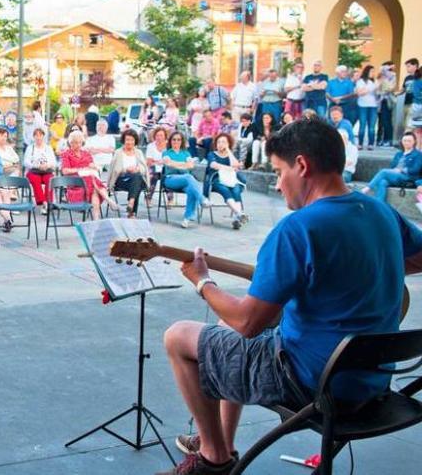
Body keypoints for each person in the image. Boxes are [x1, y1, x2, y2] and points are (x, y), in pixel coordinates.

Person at [159, 117, 422, 475]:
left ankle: (213, 458)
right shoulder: (379, 210)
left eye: (280, 171)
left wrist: (203, 281)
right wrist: (362, 270)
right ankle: (225, 441)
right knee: (224, 328)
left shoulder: (298, 229)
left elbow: (248, 323)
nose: (279, 184)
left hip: (309, 381)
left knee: (178, 337)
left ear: (302, 165)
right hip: (372, 379)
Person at [60, 130, 119, 220]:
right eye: (75, 142)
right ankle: (108, 199)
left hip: (89, 183)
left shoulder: (86, 153)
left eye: (80, 142)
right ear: (70, 143)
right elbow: (65, 171)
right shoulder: (66, 154)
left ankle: (96, 219)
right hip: (75, 183)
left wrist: (94, 166)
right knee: (91, 179)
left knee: (94, 190)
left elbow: (90, 164)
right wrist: (80, 169)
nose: (78, 145)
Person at [162, 131, 208, 228]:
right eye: (174, 139)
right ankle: (202, 199)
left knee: (192, 189)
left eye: (178, 140)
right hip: (171, 179)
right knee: (189, 177)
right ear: (170, 141)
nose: (176, 142)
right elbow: (169, 163)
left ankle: (186, 219)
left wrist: (176, 164)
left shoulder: (186, 153)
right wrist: (183, 165)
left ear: (181, 141)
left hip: (186, 181)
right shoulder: (166, 153)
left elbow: (191, 165)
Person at [362, 132, 422, 202]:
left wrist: (401, 170)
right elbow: (392, 166)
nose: (406, 143)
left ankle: (367, 188)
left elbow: (416, 169)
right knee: (382, 182)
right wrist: (395, 170)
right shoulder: (398, 154)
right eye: (404, 141)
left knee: (384, 171)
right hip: (396, 176)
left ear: (414, 142)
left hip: (408, 178)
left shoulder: (418, 154)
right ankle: (380, 204)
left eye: (409, 141)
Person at [205, 133, 247, 229]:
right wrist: (228, 168)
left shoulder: (230, 155)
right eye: (219, 142)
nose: (220, 144)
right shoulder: (212, 154)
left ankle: (237, 218)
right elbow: (213, 165)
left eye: (223, 142)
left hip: (231, 179)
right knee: (225, 190)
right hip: (216, 180)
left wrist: (228, 150)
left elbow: (235, 165)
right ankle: (239, 213)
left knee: (236, 189)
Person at [108, 129, 148, 218]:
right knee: (137, 181)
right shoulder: (118, 152)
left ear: (135, 141)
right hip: (121, 179)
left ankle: (131, 202)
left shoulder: (139, 152)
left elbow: (144, 168)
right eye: (127, 140)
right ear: (124, 140)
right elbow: (114, 169)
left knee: (137, 177)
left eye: (132, 140)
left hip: (135, 178)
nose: (129, 142)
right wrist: (126, 169)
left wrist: (137, 168)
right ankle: (132, 211)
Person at [24, 127, 57, 214]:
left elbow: (53, 161)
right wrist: (37, 165)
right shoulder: (30, 148)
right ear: (33, 137)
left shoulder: (48, 148)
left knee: (49, 180)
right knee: (35, 179)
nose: (38, 137)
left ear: (43, 136)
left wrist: (47, 165)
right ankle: (43, 203)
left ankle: (48, 201)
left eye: (40, 135)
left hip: (46, 170)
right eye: (36, 135)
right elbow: (26, 162)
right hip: (34, 170)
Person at [356, 64, 379, 150]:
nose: (373, 73)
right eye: (371, 71)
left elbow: (378, 93)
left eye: (374, 71)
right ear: (367, 71)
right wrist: (371, 88)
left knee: (372, 126)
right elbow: (360, 93)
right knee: (362, 125)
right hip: (362, 105)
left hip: (373, 105)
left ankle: (371, 143)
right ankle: (360, 143)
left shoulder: (375, 81)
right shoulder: (360, 81)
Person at [145, 127, 169, 204]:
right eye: (157, 135)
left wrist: (157, 161)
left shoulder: (169, 146)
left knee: (168, 175)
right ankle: (149, 198)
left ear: (165, 136)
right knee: (153, 174)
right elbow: (149, 161)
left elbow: (170, 161)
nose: (159, 137)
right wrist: (160, 161)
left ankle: (170, 199)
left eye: (161, 135)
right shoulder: (150, 146)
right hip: (153, 168)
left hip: (165, 168)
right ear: (154, 136)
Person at [376, 61, 397, 147]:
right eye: (389, 68)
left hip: (387, 101)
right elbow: (377, 88)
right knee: (380, 122)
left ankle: (388, 140)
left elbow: (390, 88)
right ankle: (379, 139)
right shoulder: (380, 76)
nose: (390, 70)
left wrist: (383, 86)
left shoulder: (393, 76)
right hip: (379, 102)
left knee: (387, 121)